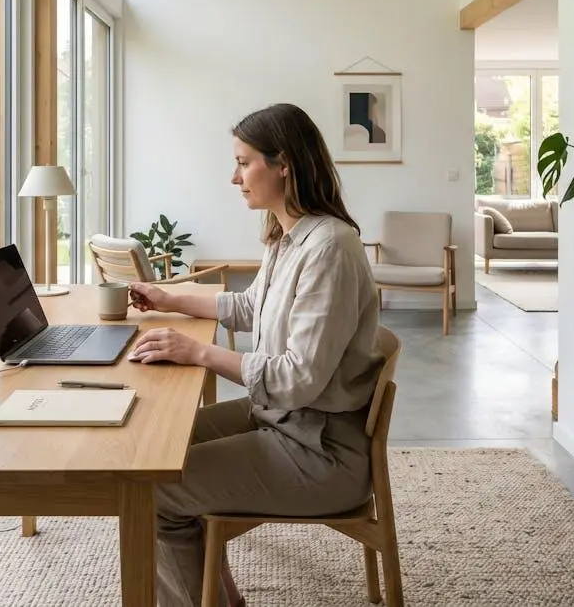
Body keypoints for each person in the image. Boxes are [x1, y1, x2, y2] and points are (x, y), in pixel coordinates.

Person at [126, 102, 384, 607]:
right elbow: (250, 305)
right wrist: (170, 299)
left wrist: (196, 352)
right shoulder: (287, 237)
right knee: (158, 449)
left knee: (152, 493)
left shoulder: (329, 247)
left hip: (321, 451)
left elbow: (299, 378)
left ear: (283, 163)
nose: (234, 176)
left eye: (244, 162)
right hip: (285, 421)